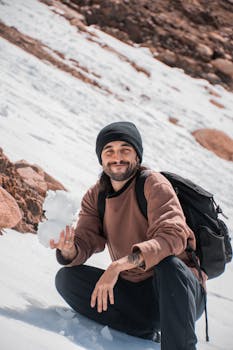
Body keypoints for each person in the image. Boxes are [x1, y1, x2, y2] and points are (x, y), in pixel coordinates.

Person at [50, 121, 206, 350]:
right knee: (67, 279)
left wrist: (119, 265)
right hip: (137, 295)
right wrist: (69, 249)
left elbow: (173, 235)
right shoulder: (96, 196)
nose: (117, 157)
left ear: (137, 156)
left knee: (168, 266)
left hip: (179, 292)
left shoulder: (154, 184)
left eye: (125, 150)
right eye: (109, 151)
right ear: (101, 159)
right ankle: (143, 330)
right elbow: (86, 239)